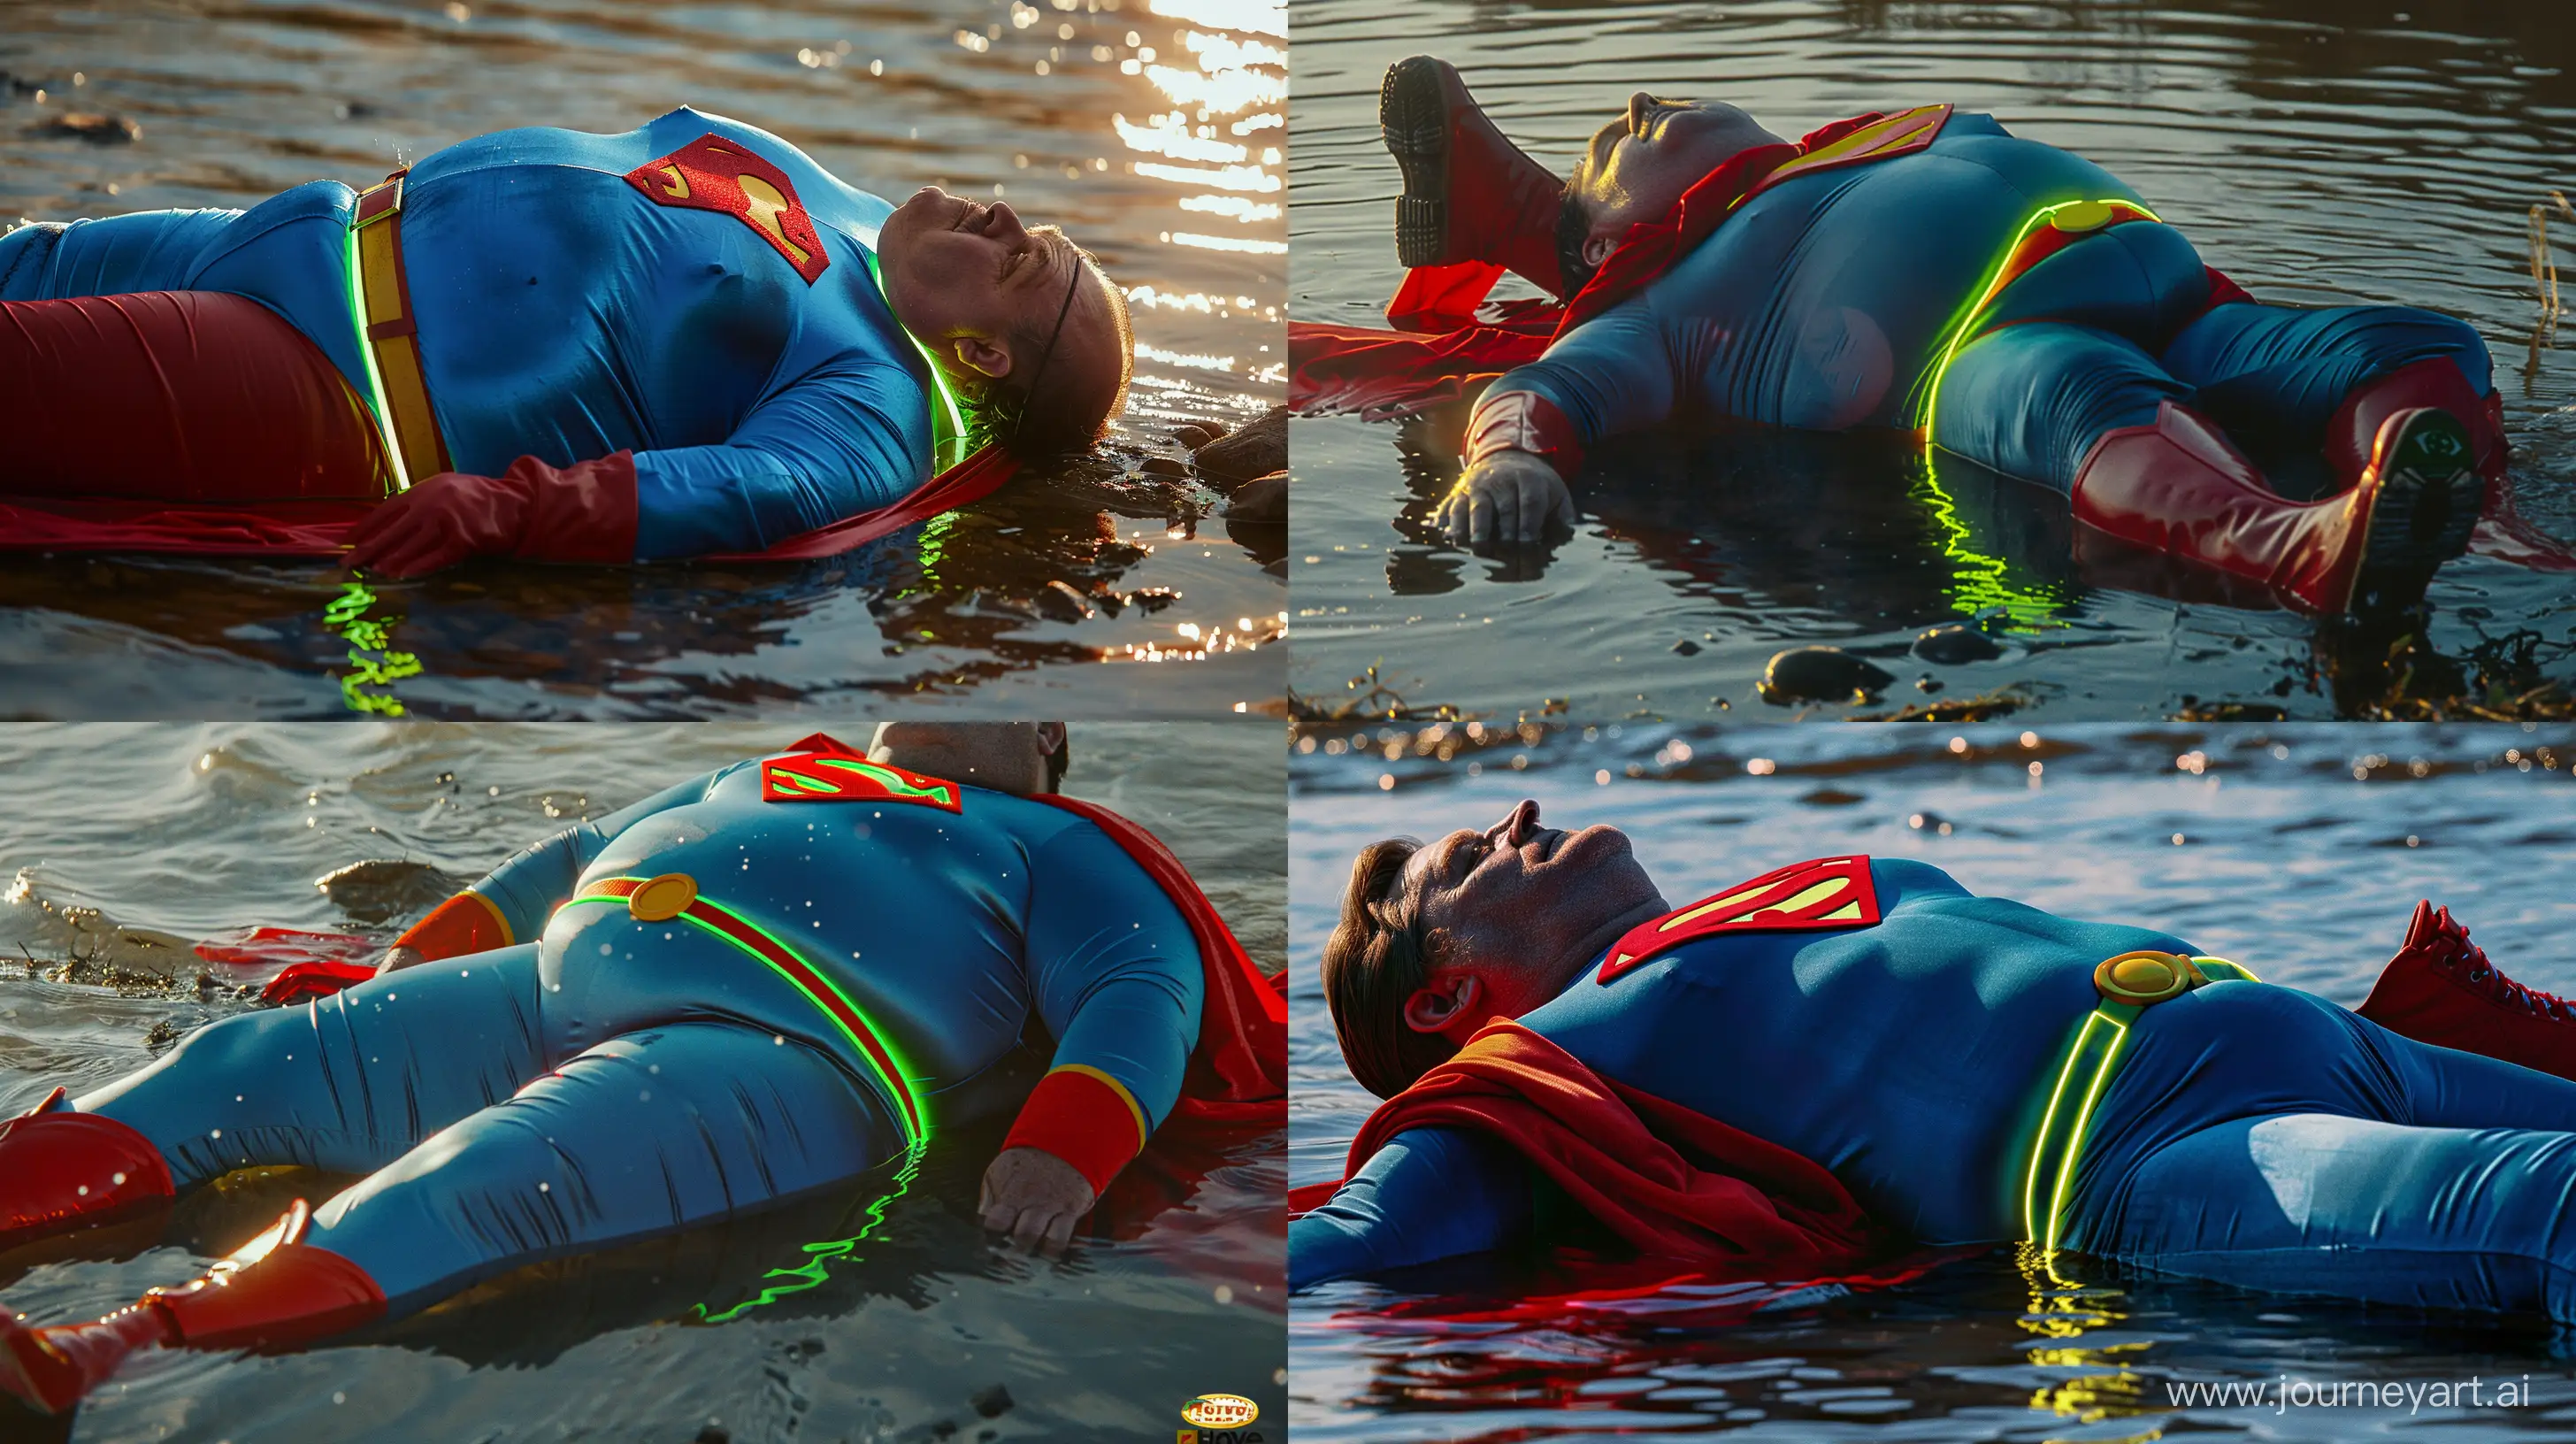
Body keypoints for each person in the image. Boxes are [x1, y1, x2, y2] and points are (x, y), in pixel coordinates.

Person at [0, 723, 1283, 1416]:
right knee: (249, 1060)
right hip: (542, 988)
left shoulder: (1064, 843)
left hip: (779, 1054)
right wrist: (411, 952)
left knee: (481, 1179)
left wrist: (1062, 1149)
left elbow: (1139, 993)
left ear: (1050, 735)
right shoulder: (769, 766)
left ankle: (108, 1349)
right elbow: (571, 860)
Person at [1292, 796, 2576, 1333]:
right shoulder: (1537, 1069)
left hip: (2331, 1044)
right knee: (2550, 1210)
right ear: (1448, 997)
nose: (1518, 816)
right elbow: (1356, 1236)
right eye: (1465, 867)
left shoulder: (1756, 903)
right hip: (2158, 1158)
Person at [1370, 58, 2526, 616]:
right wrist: (1511, 453)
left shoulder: (1861, 143)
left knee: (2412, 341)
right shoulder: (1660, 304)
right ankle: (2304, 547)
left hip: (2179, 294)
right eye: (1607, 150)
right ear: (1615, 236)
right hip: (1985, 350)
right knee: (2073, 402)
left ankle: (2431, 476)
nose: (1633, 108)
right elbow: (1554, 383)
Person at [0, 107, 1134, 574]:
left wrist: (508, 508)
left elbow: (751, 487)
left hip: (326, 374)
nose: (1001, 217)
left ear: (984, 356)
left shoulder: (874, 404)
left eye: (1019, 260)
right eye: (1033, 228)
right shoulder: (854, 225)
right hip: (305, 228)